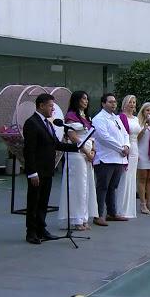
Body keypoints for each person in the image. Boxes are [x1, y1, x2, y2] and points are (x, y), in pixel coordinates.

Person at [23, 93, 83, 245]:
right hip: (37, 171)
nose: (52, 110)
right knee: (34, 202)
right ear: (41, 105)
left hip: (48, 170)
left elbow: (56, 144)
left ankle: (41, 228)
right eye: (50, 106)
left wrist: (76, 147)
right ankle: (31, 232)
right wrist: (32, 172)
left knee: (43, 202)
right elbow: (28, 150)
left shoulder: (48, 124)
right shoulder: (32, 123)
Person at [57, 90, 98, 231]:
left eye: (87, 99)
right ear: (77, 100)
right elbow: (73, 136)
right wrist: (86, 151)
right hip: (76, 154)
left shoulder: (86, 117)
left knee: (87, 186)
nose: (86, 101)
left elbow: (91, 137)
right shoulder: (71, 116)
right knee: (78, 186)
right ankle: (76, 219)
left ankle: (84, 217)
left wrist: (92, 150)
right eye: (83, 99)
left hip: (87, 154)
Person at [92, 93, 130, 226]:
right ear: (103, 104)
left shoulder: (116, 118)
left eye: (115, 102)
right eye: (110, 102)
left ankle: (111, 213)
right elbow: (104, 137)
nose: (114, 104)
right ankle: (98, 215)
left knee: (113, 187)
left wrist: (126, 145)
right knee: (102, 187)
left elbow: (125, 133)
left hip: (118, 158)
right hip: (105, 158)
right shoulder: (99, 118)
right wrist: (121, 148)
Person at [115, 94, 141, 219]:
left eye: (134, 102)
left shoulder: (136, 119)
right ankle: (121, 209)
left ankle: (130, 209)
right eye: (130, 102)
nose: (132, 104)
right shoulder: (120, 117)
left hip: (135, 148)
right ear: (125, 103)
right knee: (124, 179)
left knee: (132, 178)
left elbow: (139, 135)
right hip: (126, 148)